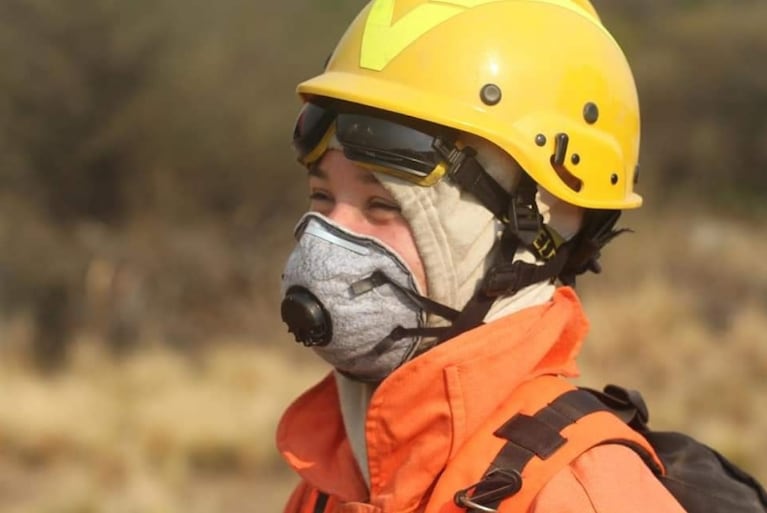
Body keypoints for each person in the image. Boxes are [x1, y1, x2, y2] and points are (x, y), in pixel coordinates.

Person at [276, 1, 687, 512]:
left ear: (543, 221)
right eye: (321, 198)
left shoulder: (579, 494)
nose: (329, 236)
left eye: (382, 205)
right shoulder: (334, 473)